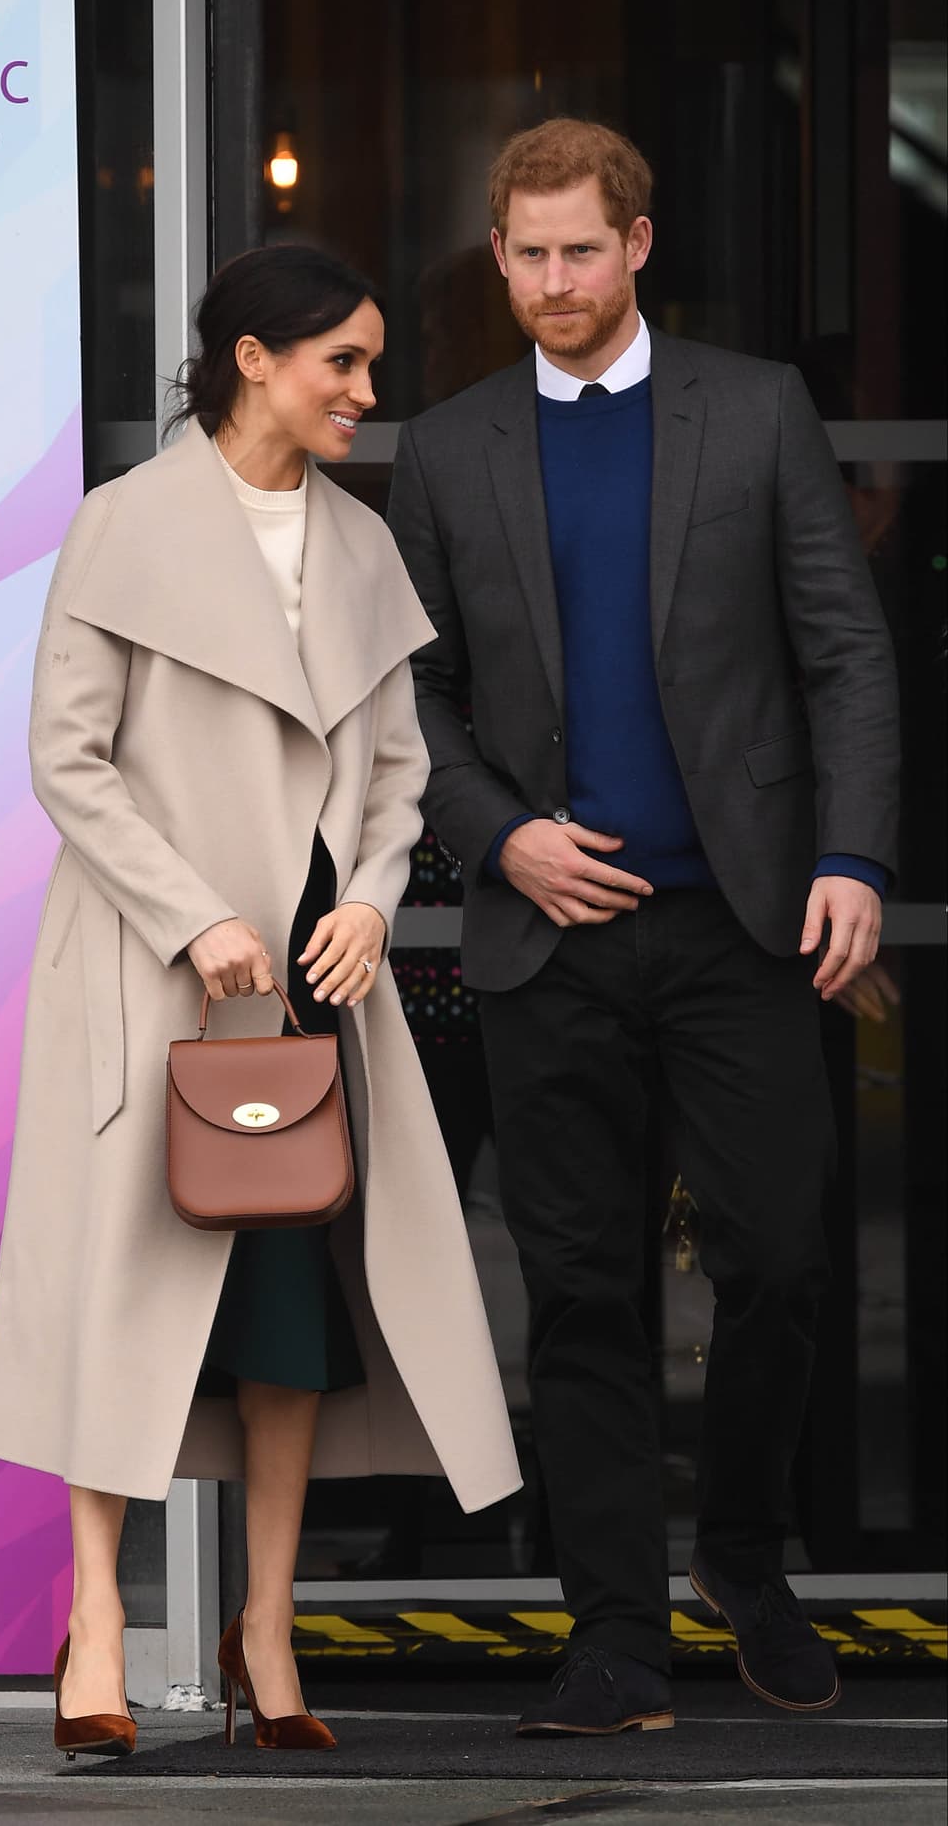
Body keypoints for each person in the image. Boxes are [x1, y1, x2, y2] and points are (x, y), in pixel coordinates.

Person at [0, 245, 521, 1758]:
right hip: (158, 972)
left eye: (367, 359)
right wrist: (194, 909)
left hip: (307, 978)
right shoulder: (125, 526)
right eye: (341, 360)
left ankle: (265, 1622)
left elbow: (398, 772)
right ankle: (94, 1619)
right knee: (116, 1306)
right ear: (252, 360)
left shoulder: (359, 544)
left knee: (289, 1318)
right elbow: (64, 756)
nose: (366, 388)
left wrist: (364, 898)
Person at [387, 119, 899, 1737]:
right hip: (548, 937)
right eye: (526, 256)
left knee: (782, 1254)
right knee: (584, 1285)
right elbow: (416, 689)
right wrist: (501, 838)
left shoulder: (752, 412)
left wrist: (853, 854)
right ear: (502, 256)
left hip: (745, 924)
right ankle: (611, 1627)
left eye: (579, 251)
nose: (552, 282)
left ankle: (743, 1555)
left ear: (639, 244)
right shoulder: (451, 446)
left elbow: (846, 655)